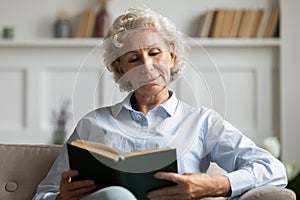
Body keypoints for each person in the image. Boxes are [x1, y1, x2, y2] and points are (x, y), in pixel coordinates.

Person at [33, 7, 287, 200]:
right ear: (120, 70)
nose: (147, 65)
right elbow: (43, 193)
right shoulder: (92, 124)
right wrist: (59, 197)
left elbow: (273, 170)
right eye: (134, 58)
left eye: (154, 53)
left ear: (171, 58)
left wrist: (213, 184)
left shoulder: (202, 122)